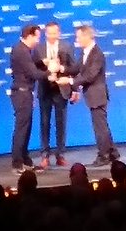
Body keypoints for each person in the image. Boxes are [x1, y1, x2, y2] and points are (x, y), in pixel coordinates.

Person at [61, 24, 118, 166]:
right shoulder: (85, 52)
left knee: (100, 128)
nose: (77, 40)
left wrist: (70, 81)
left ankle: (103, 156)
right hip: (93, 96)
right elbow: (76, 69)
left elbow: (90, 75)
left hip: (97, 96)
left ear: (87, 36)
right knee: (102, 125)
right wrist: (62, 68)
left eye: (78, 37)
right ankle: (112, 152)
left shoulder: (97, 54)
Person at [33, 21, 76, 168]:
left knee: (61, 123)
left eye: (54, 33)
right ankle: (45, 155)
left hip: (61, 90)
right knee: (44, 122)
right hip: (45, 90)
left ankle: (60, 154)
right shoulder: (38, 49)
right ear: (46, 34)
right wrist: (44, 65)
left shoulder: (67, 47)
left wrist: (74, 88)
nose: (52, 36)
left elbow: (73, 68)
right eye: (49, 33)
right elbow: (33, 69)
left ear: (59, 33)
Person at [9, 23, 44, 174]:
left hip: (26, 93)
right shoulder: (21, 51)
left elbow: (32, 69)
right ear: (29, 36)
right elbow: (33, 73)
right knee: (22, 128)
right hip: (21, 94)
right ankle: (17, 163)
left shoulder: (24, 50)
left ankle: (25, 160)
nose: (38, 41)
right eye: (37, 37)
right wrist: (50, 72)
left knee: (26, 128)